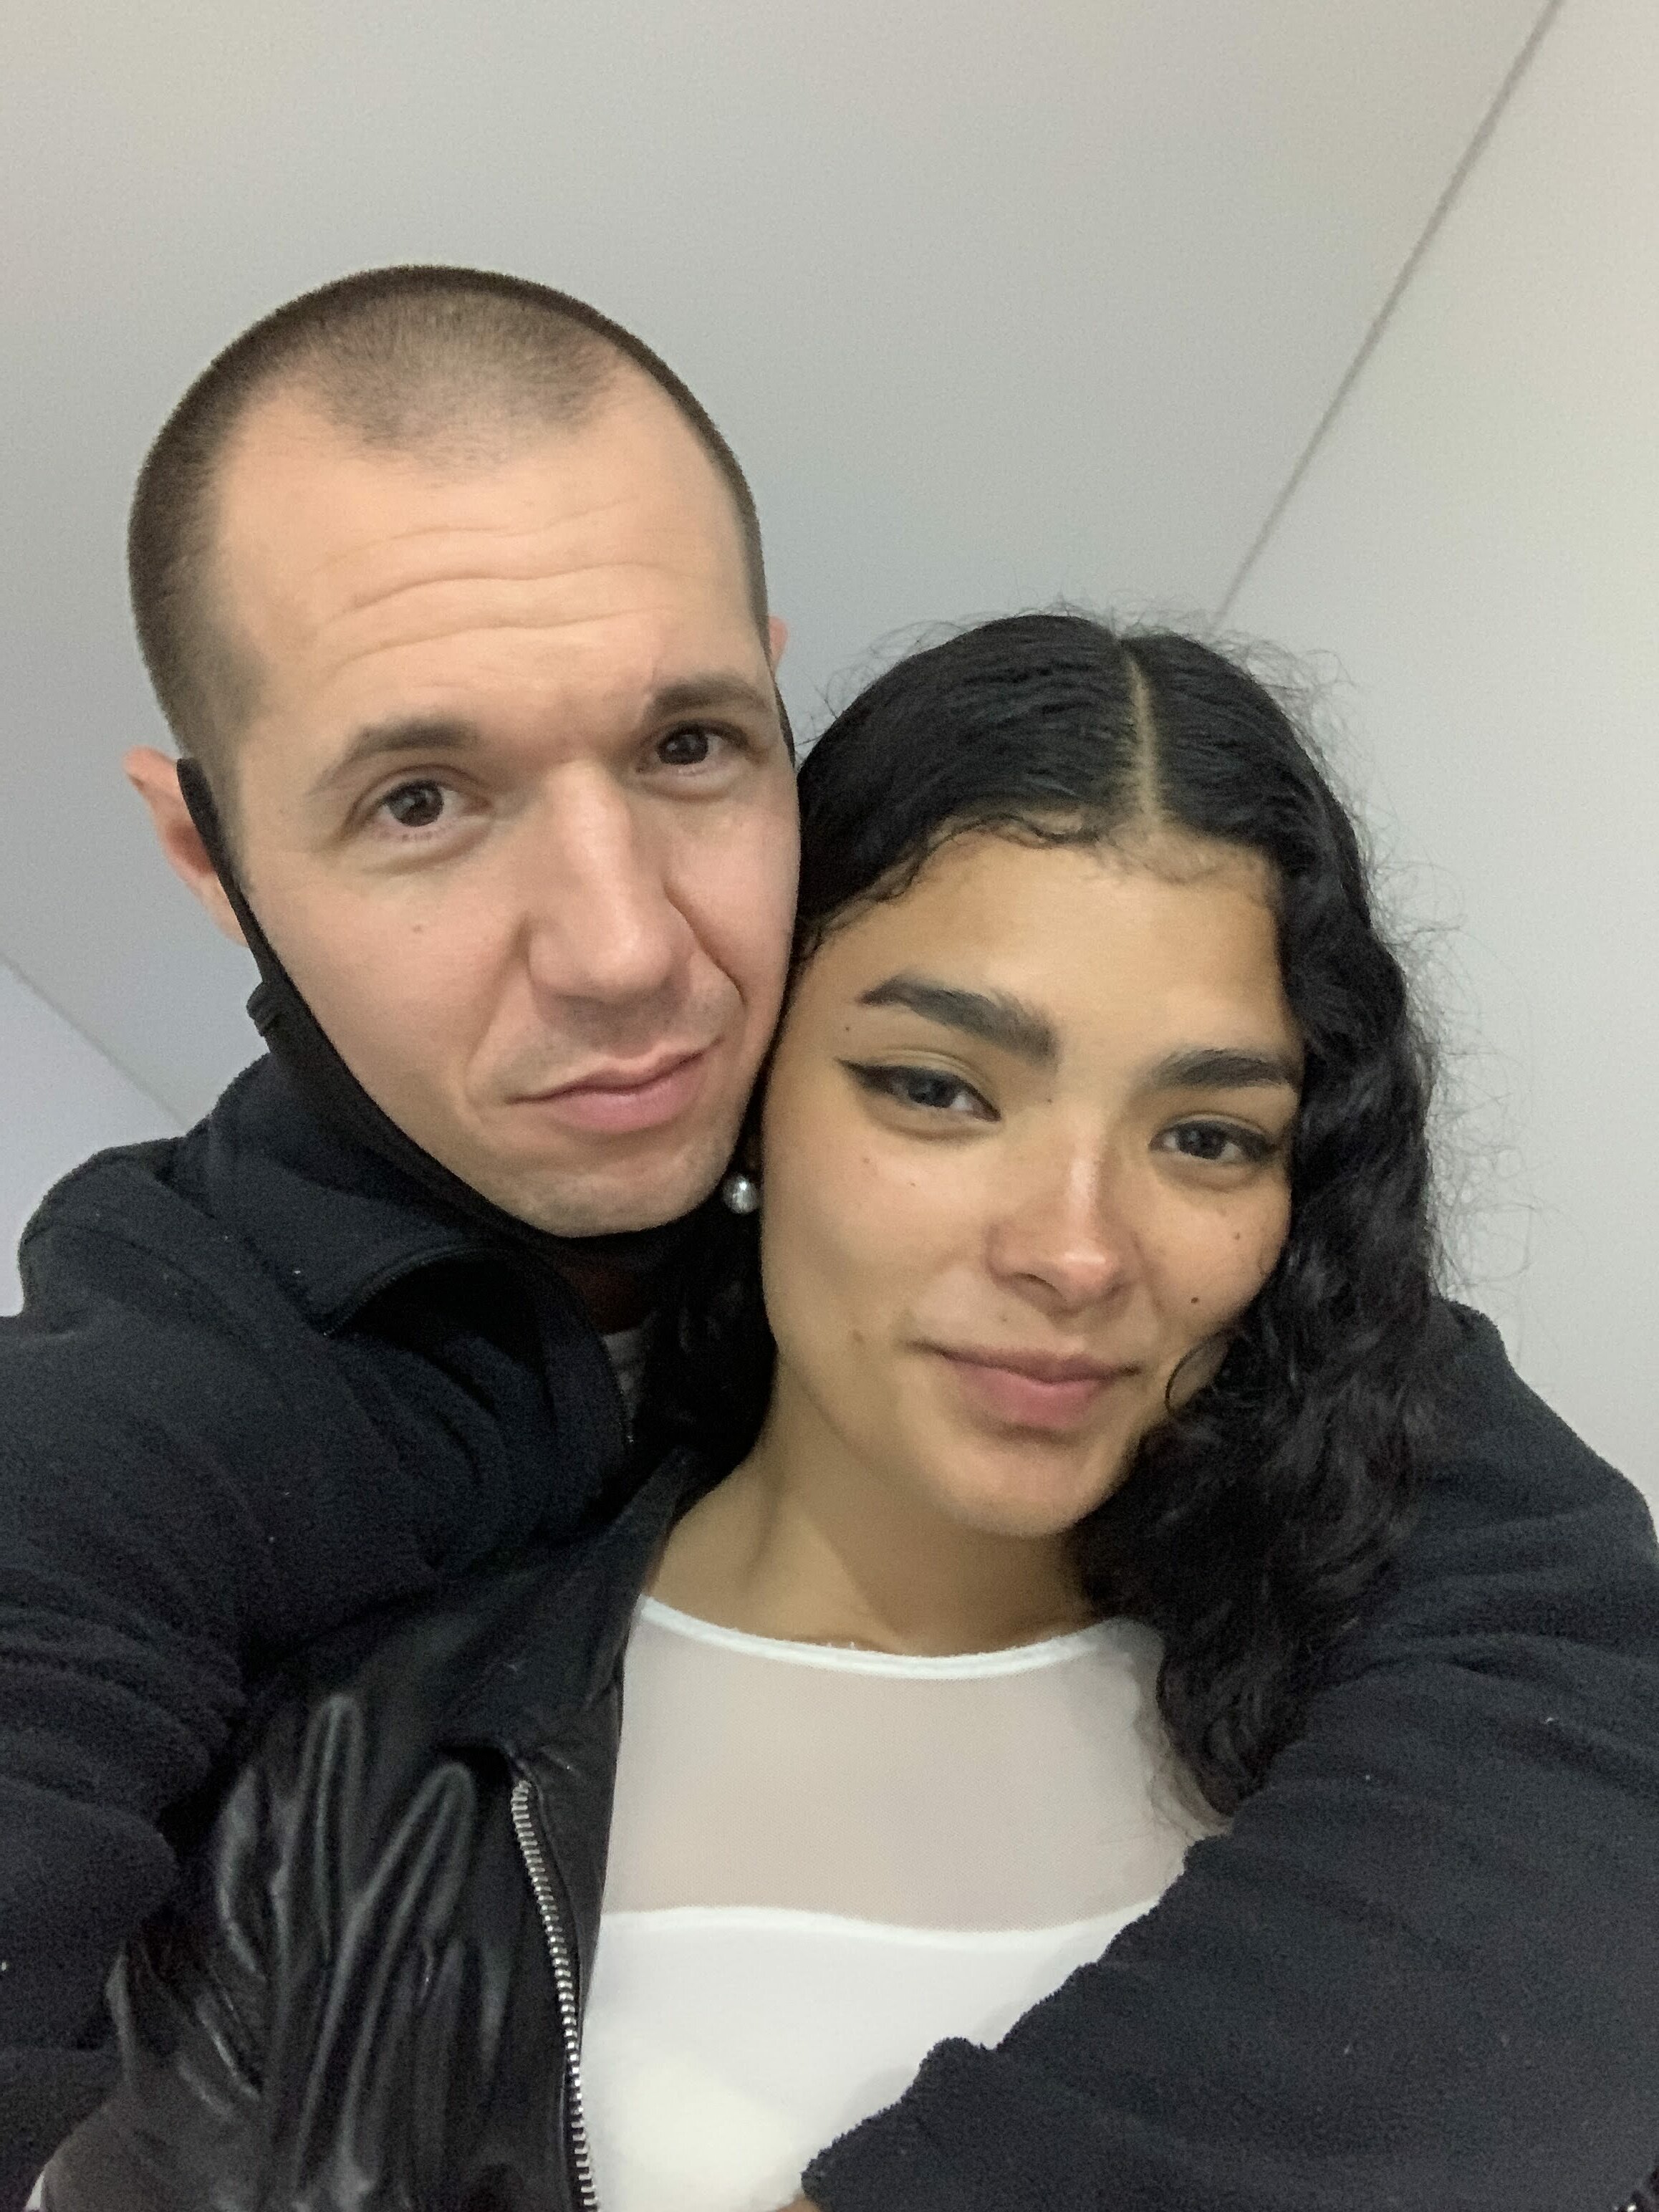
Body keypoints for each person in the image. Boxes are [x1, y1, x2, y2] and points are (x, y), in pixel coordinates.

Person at [3, 268, 1658, 2208]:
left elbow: (1570, 1703)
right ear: (206, 851)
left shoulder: (1249, 1362)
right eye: (422, 797)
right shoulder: (178, 1393)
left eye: (688, 746)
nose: (626, 950)